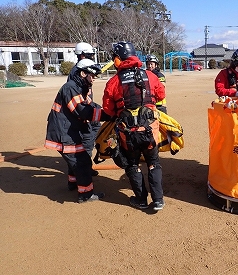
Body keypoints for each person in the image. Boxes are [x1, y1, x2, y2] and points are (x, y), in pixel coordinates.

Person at [102, 41, 166, 211]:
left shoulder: (113, 81)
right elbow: (161, 95)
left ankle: (141, 200)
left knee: (132, 164)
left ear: (118, 59)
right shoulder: (150, 76)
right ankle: (158, 200)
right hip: (150, 129)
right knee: (153, 162)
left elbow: (108, 110)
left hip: (127, 133)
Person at [45, 59, 110, 203]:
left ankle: (73, 183)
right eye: (91, 75)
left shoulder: (80, 87)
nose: (93, 79)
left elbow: (90, 104)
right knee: (82, 162)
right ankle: (86, 195)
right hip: (64, 133)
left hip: (68, 131)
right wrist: (109, 115)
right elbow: (83, 111)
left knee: (75, 161)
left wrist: (106, 111)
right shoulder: (70, 87)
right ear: (82, 73)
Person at [67, 42, 100, 178]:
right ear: (81, 55)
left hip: (85, 108)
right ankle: (83, 171)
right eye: (89, 55)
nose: (92, 58)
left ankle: (81, 170)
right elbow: (79, 101)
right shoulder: (77, 73)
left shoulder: (82, 70)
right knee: (86, 141)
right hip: (81, 113)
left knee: (90, 138)